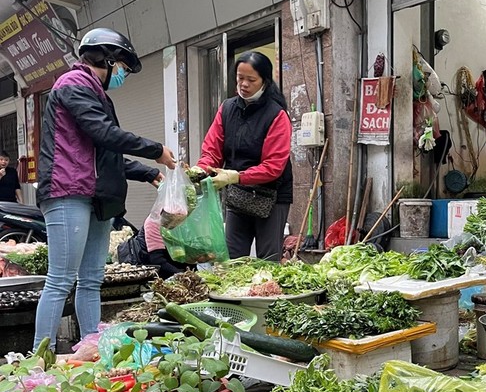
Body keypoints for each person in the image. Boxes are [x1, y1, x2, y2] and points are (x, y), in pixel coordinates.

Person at [34, 28, 176, 350]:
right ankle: (38, 359)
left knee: (91, 280)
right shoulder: (73, 85)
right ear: (109, 60)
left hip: (95, 197)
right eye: (123, 68)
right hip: (67, 192)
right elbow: (105, 134)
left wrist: (146, 173)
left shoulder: (95, 94)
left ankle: (90, 349)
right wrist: (155, 150)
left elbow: (103, 155)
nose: (123, 74)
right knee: (60, 280)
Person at [195, 51, 293, 260]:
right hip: (238, 196)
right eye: (240, 78)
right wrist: (200, 170)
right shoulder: (227, 108)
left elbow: (274, 166)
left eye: (251, 80)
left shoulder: (276, 115)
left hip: (272, 196)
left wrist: (236, 176)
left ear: (264, 81)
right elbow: (212, 150)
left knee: (268, 260)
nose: (243, 84)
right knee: (232, 259)